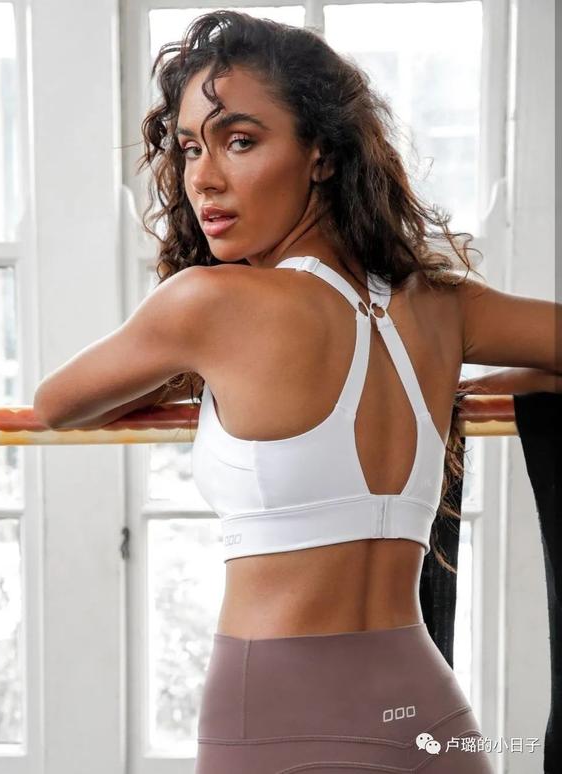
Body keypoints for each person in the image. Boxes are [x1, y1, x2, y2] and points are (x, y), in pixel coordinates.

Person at [33, 10, 559, 773]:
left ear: (321, 154)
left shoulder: (207, 306)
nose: (203, 178)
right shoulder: (443, 306)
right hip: (428, 710)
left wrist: (184, 364)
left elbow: (55, 403)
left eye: (240, 141)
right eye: (190, 148)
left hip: (279, 718)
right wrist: (510, 386)